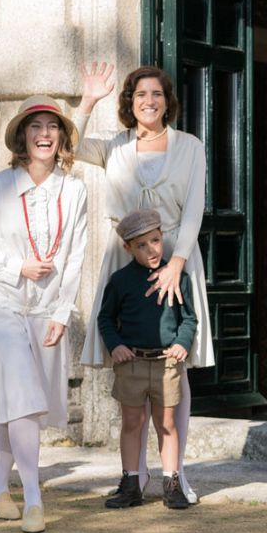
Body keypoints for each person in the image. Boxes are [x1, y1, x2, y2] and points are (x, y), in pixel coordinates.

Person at [73, 64, 213, 505]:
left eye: (155, 94)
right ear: (128, 103)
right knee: (132, 364)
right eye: (138, 95)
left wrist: (177, 263)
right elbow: (67, 146)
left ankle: (177, 474)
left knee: (175, 367)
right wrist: (88, 100)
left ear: (167, 100)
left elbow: (193, 209)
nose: (148, 101)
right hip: (124, 256)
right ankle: (134, 475)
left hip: (177, 253)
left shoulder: (189, 146)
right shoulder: (114, 147)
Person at [0, 97, 89, 533]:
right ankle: (33, 496)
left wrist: (62, 310)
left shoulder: (74, 191)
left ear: (62, 137)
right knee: (22, 397)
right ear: (22, 137)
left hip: (46, 307)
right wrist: (16, 266)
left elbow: (74, 258)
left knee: (22, 408)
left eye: (52, 126)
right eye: (35, 126)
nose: (44, 134)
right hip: (3, 304)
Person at [96, 208, 198, 511]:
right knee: (132, 421)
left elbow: (189, 319)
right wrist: (115, 345)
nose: (151, 249)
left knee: (166, 423)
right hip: (132, 364)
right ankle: (131, 484)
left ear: (162, 237)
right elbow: (105, 319)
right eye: (141, 245)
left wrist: (182, 342)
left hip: (166, 363)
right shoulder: (120, 281)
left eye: (155, 241)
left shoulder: (179, 277)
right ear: (127, 248)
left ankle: (172, 483)